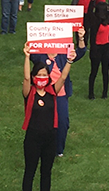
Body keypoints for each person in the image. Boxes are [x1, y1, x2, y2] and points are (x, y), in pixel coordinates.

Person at [20, 44, 71, 191]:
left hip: (50, 138)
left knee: (46, 173)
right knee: (30, 171)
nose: (42, 78)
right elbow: (25, 77)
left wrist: (69, 61)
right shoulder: (29, 93)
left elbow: (63, 77)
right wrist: (27, 56)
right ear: (34, 76)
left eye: (44, 75)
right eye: (39, 75)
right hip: (33, 139)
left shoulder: (52, 91)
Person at [29, 29, 87, 157]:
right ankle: (41, 148)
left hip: (61, 94)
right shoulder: (40, 55)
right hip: (44, 93)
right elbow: (30, 53)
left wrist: (81, 38)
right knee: (42, 122)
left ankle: (58, 150)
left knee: (62, 122)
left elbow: (81, 52)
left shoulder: (63, 53)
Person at [85, 1, 109, 99]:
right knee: (94, 72)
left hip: (106, 48)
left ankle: (105, 93)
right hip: (96, 49)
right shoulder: (94, 20)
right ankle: (91, 94)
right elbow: (89, 12)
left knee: (105, 72)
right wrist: (92, 0)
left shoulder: (108, 19)